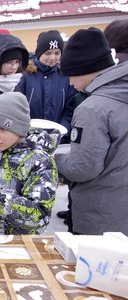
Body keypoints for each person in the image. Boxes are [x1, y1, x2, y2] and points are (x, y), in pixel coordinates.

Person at [55, 27, 128, 235]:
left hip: (99, 215)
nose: (70, 83)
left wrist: (56, 158)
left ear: (83, 68)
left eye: (70, 75)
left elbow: (83, 168)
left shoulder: (92, 108)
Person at [0, 92, 59, 235]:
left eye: (2, 128)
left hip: (18, 247)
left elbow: (39, 216)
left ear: (18, 128)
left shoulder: (40, 162)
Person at [17, 30, 75, 143]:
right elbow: (19, 108)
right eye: (48, 53)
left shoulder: (65, 76)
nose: (53, 58)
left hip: (58, 139)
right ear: (40, 53)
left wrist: (60, 133)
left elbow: (69, 110)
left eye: (57, 53)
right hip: (29, 139)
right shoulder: (26, 75)